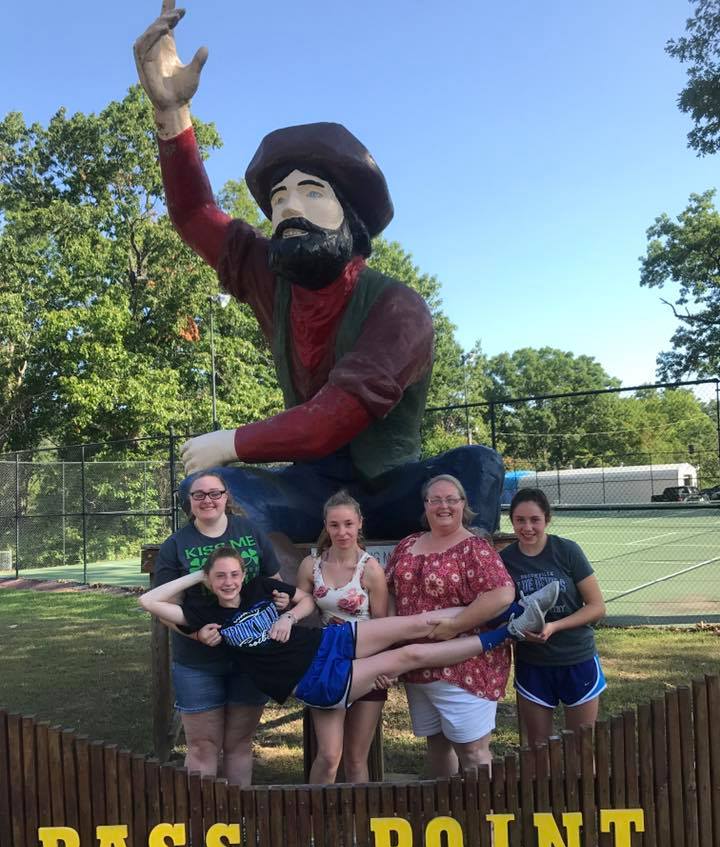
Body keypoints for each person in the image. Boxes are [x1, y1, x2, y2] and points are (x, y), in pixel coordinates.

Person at [132, 2, 504, 541]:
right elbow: (194, 215)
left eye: (311, 191)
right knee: (212, 489)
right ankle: (278, 607)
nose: (288, 208)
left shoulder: (398, 308)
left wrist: (230, 440)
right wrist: (171, 115)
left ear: (351, 218)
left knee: (476, 467)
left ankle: (462, 588)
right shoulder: (270, 276)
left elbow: (333, 417)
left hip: (394, 488)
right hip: (312, 490)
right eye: (279, 197)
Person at [139, 547, 554, 712]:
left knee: (410, 624)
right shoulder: (205, 617)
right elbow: (149, 601)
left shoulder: (260, 588)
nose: (229, 582)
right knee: (407, 655)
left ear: (242, 574)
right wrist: (198, 574)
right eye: (220, 577)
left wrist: (287, 616)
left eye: (233, 574)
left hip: (326, 640)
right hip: (314, 678)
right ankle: (511, 632)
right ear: (211, 581)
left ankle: (514, 610)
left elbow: (304, 600)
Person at [386, 474, 522, 777]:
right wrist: (392, 637)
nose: (443, 506)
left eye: (451, 499)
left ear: (463, 504)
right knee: (437, 746)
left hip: (465, 667)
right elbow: (391, 591)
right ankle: (445, 816)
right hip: (418, 668)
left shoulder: (475, 548)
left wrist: (455, 625)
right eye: (435, 499)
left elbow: (502, 593)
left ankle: (485, 819)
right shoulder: (407, 545)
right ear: (425, 505)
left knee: (473, 752)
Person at [153, 471, 280, 786]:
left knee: (239, 745)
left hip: (251, 656)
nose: (208, 500)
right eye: (199, 495)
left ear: (227, 496)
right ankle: (202, 822)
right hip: (198, 661)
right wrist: (194, 634)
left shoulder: (250, 532)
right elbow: (166, 608)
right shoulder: (176, 545)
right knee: (202, 746)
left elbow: (275, 585)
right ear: (189, 503)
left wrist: (280, 609)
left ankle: (237, 819)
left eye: (215, 493)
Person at [296, 491, 389, 784]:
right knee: (328, 756)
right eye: (335, 525)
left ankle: (358, 826)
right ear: (326, 525)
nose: (342, 532)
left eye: (348, 524)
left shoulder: (371, 570)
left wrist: (385, 667)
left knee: (356, 758)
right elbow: (302, 611)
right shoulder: (310, 566)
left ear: (360, 523)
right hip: (326, 664)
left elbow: (383, 625)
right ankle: (311, 822)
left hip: (365, 663)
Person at [501, 488, 607, 747]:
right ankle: (546, 789)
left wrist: (555, 626)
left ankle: (584, 788)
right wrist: (516, 629)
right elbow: (499, 612)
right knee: (538, 746)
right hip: (533, 663)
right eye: (520, 520)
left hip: (576, 658)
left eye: (534, 520)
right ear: (512, 521)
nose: (527, 527)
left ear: (547, 519)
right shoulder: (504, 560)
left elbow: (596, 606)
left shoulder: (566, 550)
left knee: (581, 744)